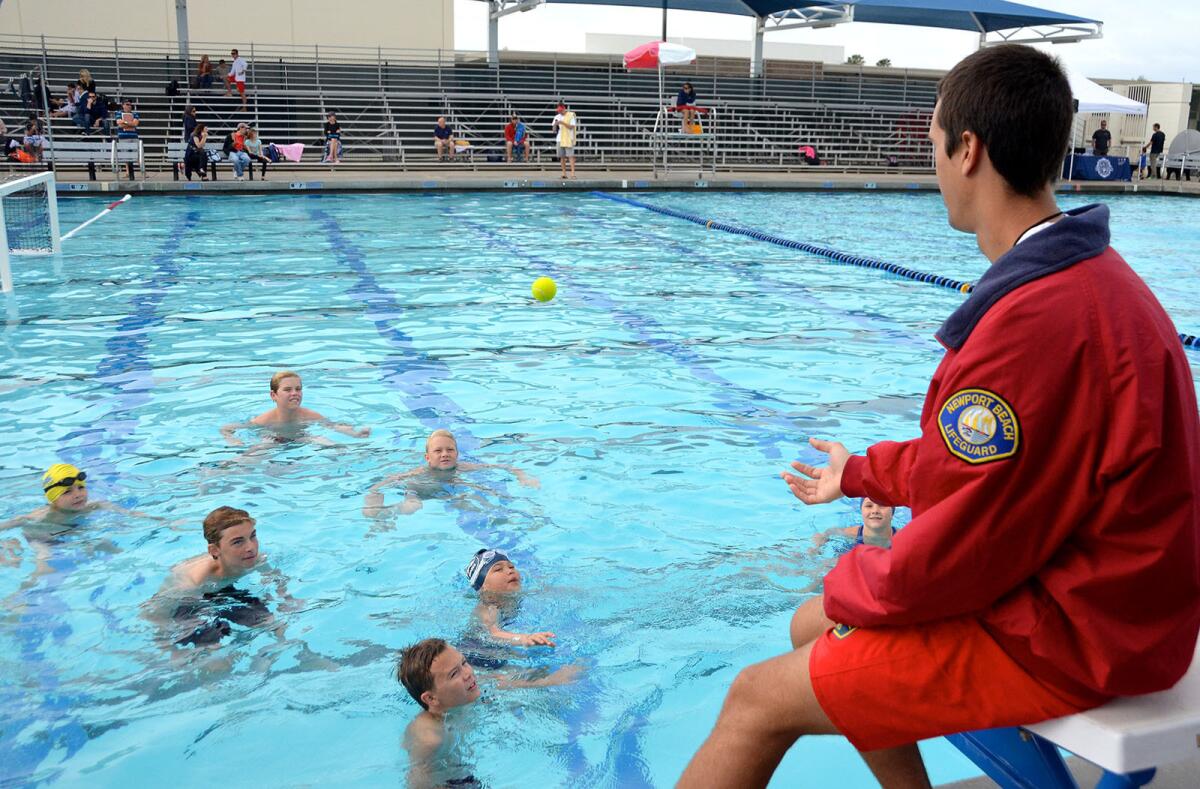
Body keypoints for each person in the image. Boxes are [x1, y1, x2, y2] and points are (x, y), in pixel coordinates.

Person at [680, 44, 1200, 789]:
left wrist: (853, 578)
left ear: (967, 149)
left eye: (932, 143)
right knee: (809, 627)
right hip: (1118, 603)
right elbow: (976, 466)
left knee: (756, 698)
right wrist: (861, 472)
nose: (933, 165)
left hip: (1078, 633)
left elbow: (960, 555)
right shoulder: (1096, 282)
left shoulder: (1034, 323)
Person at [399, 638, 582, 789]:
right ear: (431, 699)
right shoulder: (430, 738)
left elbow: (501, 683)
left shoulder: (465, 692)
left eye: (464, 663)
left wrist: (551, 681)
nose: (468, 673)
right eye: (454, 674)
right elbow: (417, 780)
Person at [0, 464, 161, 567]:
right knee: (46, 561)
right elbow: (17, 521)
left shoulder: (93, 506)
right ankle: (22, 593)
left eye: (81, 488)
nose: (78, 495)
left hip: (71, 532)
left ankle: (131, 564)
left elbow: (130, 513)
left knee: (104, 543)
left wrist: (162, 521)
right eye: (67, 492)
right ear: (53, 499)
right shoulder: (41, 514)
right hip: (42, 536)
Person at [362, 428, 538, 519]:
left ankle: (501, 514)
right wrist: (372, 498)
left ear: (457, 454)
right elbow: (385, 482)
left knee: (474, 497)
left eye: (450, 450)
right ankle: (384, 515)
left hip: (447, 491)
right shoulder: (419, 472)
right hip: (418, 491)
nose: (445, 453)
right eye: (438, 451)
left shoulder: (463, 467)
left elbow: (504, 467)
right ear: (428, 457)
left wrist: (523, 476)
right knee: (413, 507)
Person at [220, 370, 371, 447]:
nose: (294, 394)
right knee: (258, 451)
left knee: (335, 447)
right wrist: (234, 441)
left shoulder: (309, 415)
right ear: (273, 395)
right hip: (273, 441)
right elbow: (226, 429)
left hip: (302, 438)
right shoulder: (264, 420)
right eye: (288, 390)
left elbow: (333, 426)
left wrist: (356, 434)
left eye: (298, 389)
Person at [465, 549, 556, 648]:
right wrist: (524, 638)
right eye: (498, 569)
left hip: (499, 649)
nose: (510, 571)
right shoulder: (488, 606)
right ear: (482, 586)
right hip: (475, 651)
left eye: (511, 566)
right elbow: (492, 634)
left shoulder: (515, 596)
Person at [809, 497, 897, 553]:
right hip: (852, 554)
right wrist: (818, 545)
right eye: (869, 506)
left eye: (882, 505)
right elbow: (830, 532)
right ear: (861, 511)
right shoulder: (852, 533)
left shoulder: (902, 538)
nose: (875, 511)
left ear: (892, 513)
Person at [552, 102, 577, 179]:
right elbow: (553, 131)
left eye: (561, 111)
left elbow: (571, 127)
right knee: (562, 157)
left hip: (569, 138)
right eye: (559, 111)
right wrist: (555, 125)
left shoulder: (571, 115)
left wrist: (562, 122)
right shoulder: (556, 117)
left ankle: (572, 173)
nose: (560, 112)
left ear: (564, 109)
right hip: (560, 138)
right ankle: (564, 173)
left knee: (570, 156)